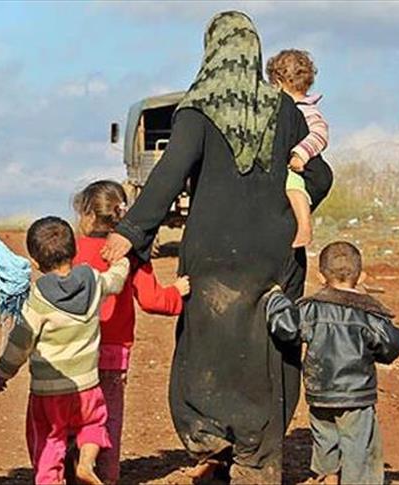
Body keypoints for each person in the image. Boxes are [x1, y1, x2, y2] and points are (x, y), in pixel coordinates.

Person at [100, 11, 333, 483]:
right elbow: (320, 174)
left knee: (207, 345)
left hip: (212, 252)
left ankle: (211, 441)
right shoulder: (285, 111)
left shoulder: (196, 109)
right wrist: (292, 209)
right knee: (270, 345)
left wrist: (131, 230)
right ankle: (258, 457)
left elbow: (170, 174)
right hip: (274, 253)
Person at [0, 216, 128, 485]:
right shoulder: (92, 281)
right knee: (93, 424)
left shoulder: (37, 299)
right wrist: (121, 261)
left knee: (49, 441)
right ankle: (86, 463)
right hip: (87, 386)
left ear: (35, 262)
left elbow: (21, 342)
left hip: (48, 393)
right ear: (74, 250)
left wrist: (3, 372)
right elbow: (116, 280)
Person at [72, 180, 189, 484]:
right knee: (108, 415)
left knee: (73, 412)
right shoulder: (130, 255)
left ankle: (69, 469)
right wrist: (177, 292)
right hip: (113, 352)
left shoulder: (72, 251)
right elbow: (152, 300)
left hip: (74, 351)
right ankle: (107, 475)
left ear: (87, 214)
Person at [266, 241, 399, 485]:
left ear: (321, 277)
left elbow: (286, 327)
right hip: (356, 395)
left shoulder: (311, 308)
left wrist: (276, 298)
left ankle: (328, 477)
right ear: (361, 276)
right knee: (358, 445)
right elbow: (393, 343)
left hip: (320, 392)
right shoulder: (367, 313)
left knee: (325, 437)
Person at [267, 49, 329, 248]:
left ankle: (304, 227)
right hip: (288, 165)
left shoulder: (305, 110)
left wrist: (300, 155)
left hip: (296, 167)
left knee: (293, 186)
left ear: (278, 83)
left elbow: (319, 134)